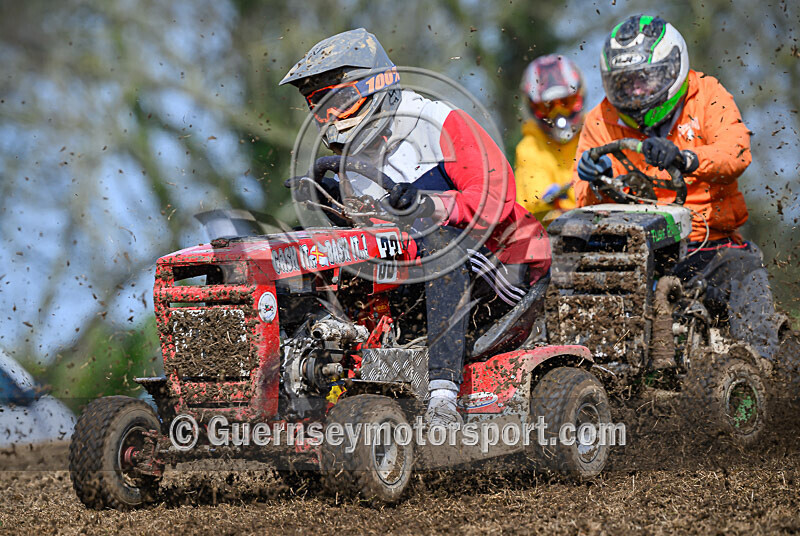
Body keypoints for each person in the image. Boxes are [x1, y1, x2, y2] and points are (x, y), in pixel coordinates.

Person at [280, 28, 551, 426]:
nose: (332, 119)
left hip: (508, 264)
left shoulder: (440, 123)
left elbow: (497, 199)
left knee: (438, 242)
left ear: (374, 89)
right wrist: (331, 203)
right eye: (321, 109)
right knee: (327, 267)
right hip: (428, 271)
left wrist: (429, 203)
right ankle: (301, 389)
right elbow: (378, 237)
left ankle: (444, 396)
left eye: (339, 104)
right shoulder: (355, 162)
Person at [573, 14, 784, 362]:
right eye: (625, 84)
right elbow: (582, 200)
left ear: (672, 68)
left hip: (709, 242)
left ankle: (763, 367)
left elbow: (737, 152)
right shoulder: (599, 120)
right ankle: (596, 365)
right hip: (638, 248)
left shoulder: (707, 95)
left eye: (644, 80)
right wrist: (594, 180)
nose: (636, 93)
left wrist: (686, 158)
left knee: (744, 271)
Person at [515, 55, 585, 225]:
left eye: (566, 102)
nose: (558, 115)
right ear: (533, 108)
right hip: (558, 236)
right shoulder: (529, 148)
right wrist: (545, 198)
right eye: (547, 107)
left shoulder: (596, 130)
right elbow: (532, 197)